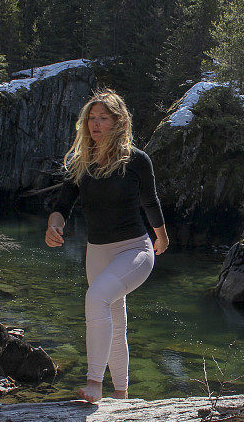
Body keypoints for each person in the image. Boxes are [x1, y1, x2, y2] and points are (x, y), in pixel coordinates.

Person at [45, 89, 169, 402]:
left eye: (103, 118)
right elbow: (63, 203)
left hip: (135, 250)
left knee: (96, 298)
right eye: (91, 119)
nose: (95, 124)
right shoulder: (81, 162)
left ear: (118, 122)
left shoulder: (136, 160)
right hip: (97, 252)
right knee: (114, 322)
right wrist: (54, 226)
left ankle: (94, 384)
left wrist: (162, 236)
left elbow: (150, 201)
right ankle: (122, 395)